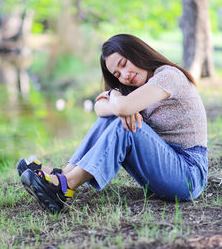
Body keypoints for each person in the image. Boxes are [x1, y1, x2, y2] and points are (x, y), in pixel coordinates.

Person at [18, 33, 208, 213]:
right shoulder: (140, 87)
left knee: (124, 125)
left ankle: (65, 187)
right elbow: (99, 107)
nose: (124, 75)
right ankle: (64, 174)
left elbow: (122, 108)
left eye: (124, 64)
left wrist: (117, 99)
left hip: (188, 175)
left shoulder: (168, 76)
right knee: (114, 117)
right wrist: (115, 97)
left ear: (137, 52)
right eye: (117, 75)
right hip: (168, 168)